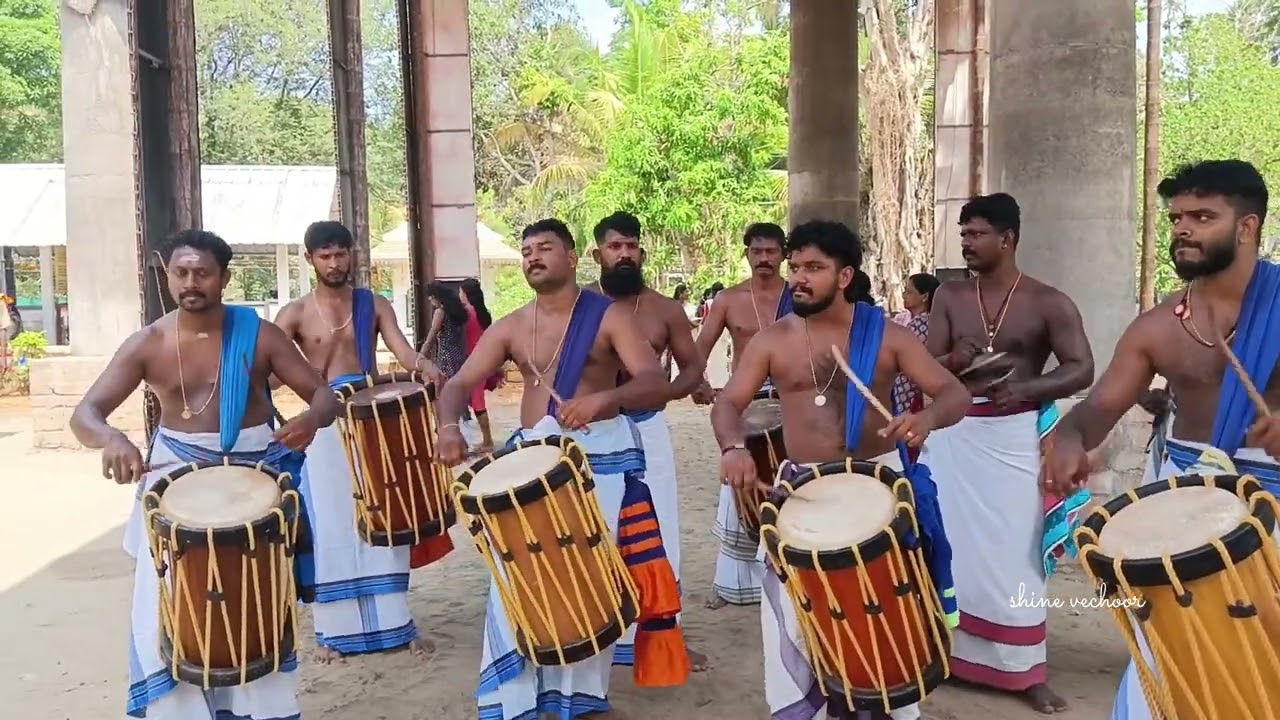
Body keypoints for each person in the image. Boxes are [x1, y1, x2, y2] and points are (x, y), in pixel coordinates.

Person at [69, 229, 341, 720]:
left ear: (225, 278)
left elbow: (324, 396)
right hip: (176, 481)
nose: (191, 282)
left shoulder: (259, 335)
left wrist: (308, 419)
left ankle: (261, 710)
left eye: (203, 272)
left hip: (256, 477)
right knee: (169, 602)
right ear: (168, 276)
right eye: (181, 272)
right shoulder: (148, 342)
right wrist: (112, 439)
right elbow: (86, 413)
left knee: (255, 606)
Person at [1042, 160, 1280, 720]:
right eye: (1176, 217)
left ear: (1247, 227)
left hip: (1271, 497)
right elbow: (1099, 407)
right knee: (1169, 652)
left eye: (1203, 216)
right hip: (1183, 492)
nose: (1183, 229)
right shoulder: (1157, 327)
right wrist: (1072, 439)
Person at [711, 220, 970, 720]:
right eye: (796, 268)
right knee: (798, 618)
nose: (799, 279)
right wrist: (732, 447)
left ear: (845, 275)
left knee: (885, 617)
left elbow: (953, 393)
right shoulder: (771, 342)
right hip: (803, 495)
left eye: (814, 268)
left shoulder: (887, 337)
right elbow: (728, 404)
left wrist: (928, 417)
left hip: (879, 489)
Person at [434, 218, 686, 720]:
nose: (532, 256)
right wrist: (447, 426)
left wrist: (604, 399)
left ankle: (584, 700)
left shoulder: (609, 316)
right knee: (519, 573)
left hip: (601, 459)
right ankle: (516, 700)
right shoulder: (510, 325)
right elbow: (458, 384)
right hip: (531, 461)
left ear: (572, 258)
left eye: (544, 247)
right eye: (526, 250)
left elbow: (654, 381)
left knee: (588, 577)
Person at [922, 193, 1094, 714]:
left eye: (976, 234)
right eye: (963, 233)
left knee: (1017, 555)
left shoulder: (1048, 301)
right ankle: (947, 658)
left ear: (1008, 239)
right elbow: (927, 364)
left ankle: (1025, 672)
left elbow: (1081, 368)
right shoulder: (949, 295)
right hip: (954, 436)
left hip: (1017, 435)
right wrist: (957, 358)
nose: (966, 242)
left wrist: (1030, 389)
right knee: (950, 546)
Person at [273, 220, 448, 664]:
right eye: (325, 255)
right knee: (329, 525)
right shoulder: (293, 314)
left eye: (341, 253)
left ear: (352, 255)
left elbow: (403, 353)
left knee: (382, 519)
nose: (334, 263)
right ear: (310, 259)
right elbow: (270, 370)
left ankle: (397, 625)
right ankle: (331, 635)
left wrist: (426, 366)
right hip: (322, 429)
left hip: (372, 425)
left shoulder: (374, 304)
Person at [588, 211, 710, 672]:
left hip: (649, 429)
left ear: (642, 252)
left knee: (659, 532)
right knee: (600, 529)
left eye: (631, 246)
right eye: (615, 246)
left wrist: (671, 391)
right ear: (597, 253)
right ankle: (601, 634)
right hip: (596, 433)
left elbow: (693, 366)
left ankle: (664, 634)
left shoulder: (665, 309)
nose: (624, 254)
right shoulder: (581, 307)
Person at [693, 222, 792, 609]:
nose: (764, 258)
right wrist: (697, 381)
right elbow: (701, 345)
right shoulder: (729, 300)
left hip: (793, 401)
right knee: (738, 487)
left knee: (790, 486)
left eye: (771, 251)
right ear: (746, 254)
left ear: (783, 254)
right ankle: (735, 585)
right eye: (757, 251)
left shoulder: (799, 295)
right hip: (745, 403)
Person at [459, 277, 499, 452]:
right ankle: (485, 440)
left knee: (478, 403)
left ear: (466, 293)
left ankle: (488, 441)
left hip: (472, 362)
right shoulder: (483, 313)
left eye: (460, 292)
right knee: (476, 401)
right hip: (483, 360)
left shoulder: (466, 314)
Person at [893, 273, 942, 415]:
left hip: (910, 390)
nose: (903, 295)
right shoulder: (930, 321)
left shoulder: (921, 324)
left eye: (909, 292)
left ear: (924, 297)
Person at [421, 280, 470, 381]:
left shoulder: (440, 313)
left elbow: (431, 337)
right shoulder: (456, 311)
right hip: (459, 356)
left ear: (435, 297)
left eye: (430, 300)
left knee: (445, 389)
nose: (431, 303)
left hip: (447, 359)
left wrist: (421, 355)